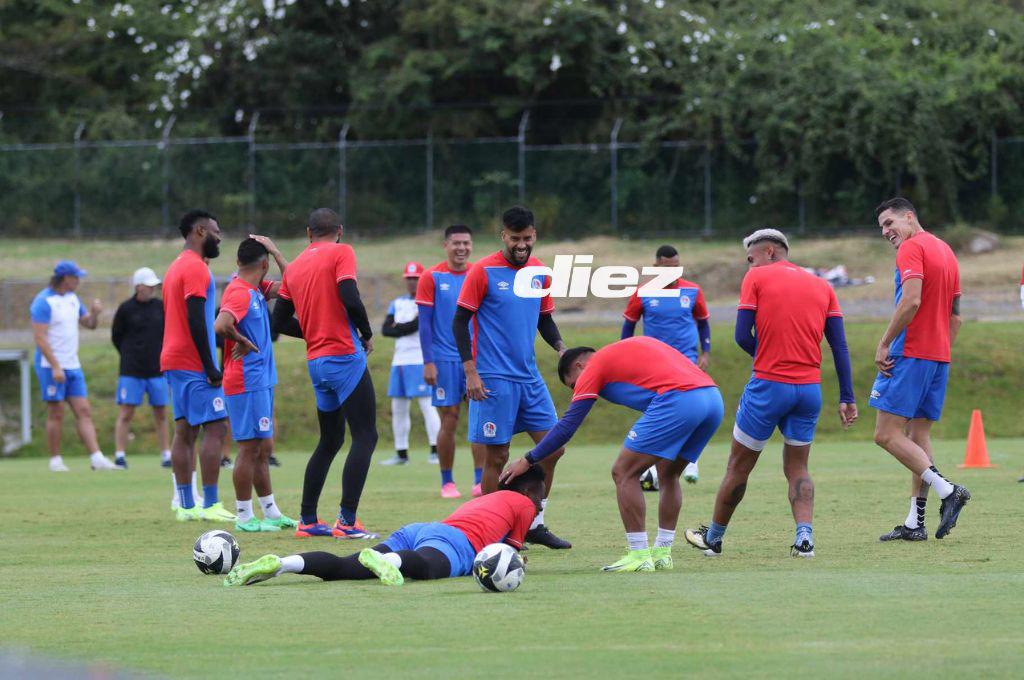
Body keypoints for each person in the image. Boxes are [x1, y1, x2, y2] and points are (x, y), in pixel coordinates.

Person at [685, 228, 857, 558]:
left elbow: (741, 335)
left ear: (770, 253)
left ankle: (714, 538)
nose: (749, 265)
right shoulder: (823, 286)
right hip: (809, 390)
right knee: (798, 468)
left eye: (751, 258)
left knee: (738, 466)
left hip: (768, 386)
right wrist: (847, 396)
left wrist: (769, 357)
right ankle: (804, 538)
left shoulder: (757, 278)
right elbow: (839, 345)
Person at [500, 337, 724, 573]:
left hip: (680, 399)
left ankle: (639, 555)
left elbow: (567, 426)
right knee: (668, 474)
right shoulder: (620, 355)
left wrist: (528, 459)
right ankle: (662, 553)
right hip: (711, 399)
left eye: (572, 385)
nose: (576, 390)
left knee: (623, 472)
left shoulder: (593, 367)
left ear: (579, 366)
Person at [453, 205, 571, 550]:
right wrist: (469, 370)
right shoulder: (483, 270)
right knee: (497, 456)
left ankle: (535, 522)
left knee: (554, 448)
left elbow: (544, 319)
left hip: (529, 378)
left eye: (528, 238)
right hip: (492, 379)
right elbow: (460, 321)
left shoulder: (538, 272)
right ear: (503, 235)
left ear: (535, 236)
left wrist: (562, 349)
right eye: (515, 238)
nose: (522, 244)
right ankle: (490, 531)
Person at [224, 465, 544, 587]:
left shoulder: (493, 498)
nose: (541, 503)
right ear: (529, 491)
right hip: (456, 540)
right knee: (429, 568)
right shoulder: (526, 504)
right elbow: (509, 553)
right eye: (541, 496)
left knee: (345, 567)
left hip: (420, 529)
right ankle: (391, 562)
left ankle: (282, 565)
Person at [271, 208, 379, 539]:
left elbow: (277, 322)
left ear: (308, 233)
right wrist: (366, 331)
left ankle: (307, 520)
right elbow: (350, 295)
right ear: (340, 231)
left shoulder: (296, 265)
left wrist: (313, 331)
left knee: (330, 440)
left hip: (316, 362)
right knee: (366, 435)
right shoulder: (341, 251)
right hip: (344, 357)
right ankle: (347, 521)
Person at [870, 198, 970, 540]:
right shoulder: (947, 251)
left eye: (889, 223)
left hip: (910, 352)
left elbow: (911, 300)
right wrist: (940, 350)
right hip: (938, 355)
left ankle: (948, 490)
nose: (885, 232)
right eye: (881, 227)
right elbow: (956, 315)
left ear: (910, 216)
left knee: (885, 434)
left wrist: (884, 342)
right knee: (918, 435)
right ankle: (915, 523)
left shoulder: (912, 248)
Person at [213, 236, 298, 533]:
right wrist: (242, 340)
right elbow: (221, 324)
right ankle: (244, 516)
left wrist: (273, 251)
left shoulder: (256, 289)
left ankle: (271, 512)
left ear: (238, 263)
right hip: (246, 382)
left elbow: (294, 284)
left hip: (261, 380)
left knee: (263, 447)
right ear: (264, 264)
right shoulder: (239, 292)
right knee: (249, 448)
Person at [161, 210, 234, 522]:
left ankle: (187, 505)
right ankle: (211, 504)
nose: (219, 238)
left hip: (173, 359)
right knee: (216, 428)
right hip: (192, 361)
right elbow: (194, 318)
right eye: (216, 232)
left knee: (185, 430)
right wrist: (210, 365)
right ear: (201, 231)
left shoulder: (175, 266)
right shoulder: (196, 268)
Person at [621, 244, 710, 484]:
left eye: (676, 267)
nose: (673, 271)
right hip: (654, 364)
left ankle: (691, 463)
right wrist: (625, 355)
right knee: (660, 411)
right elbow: (629, 325)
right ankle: (657, 464)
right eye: (668, 267)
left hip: (686, 361)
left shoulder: (692, 291)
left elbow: (703, 322)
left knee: (691, 409)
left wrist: (706, 351)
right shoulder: (643, 292)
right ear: (656, 266)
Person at [416, 225, 486, 499]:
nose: (461, 248)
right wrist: (428, 362)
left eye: (466, 243)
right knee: (450, 418)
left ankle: (479, 480)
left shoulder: (479, 274)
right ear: (446, 245)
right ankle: (447, 481)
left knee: (479, 418)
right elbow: (424, 324)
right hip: (444, 359)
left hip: (477, 359)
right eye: (456, 243)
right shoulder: (431, 276)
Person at [30, 260, 116, 471]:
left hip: (72, 364)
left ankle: (97, 457)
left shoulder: (73, 299)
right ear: (65, 278)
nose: (78, 281)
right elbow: (40, 338)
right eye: (76, 277)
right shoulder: (43, 301)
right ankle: (55, 460)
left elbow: (89, 324)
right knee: (56, 411)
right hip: (50, 365)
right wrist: (56, 366)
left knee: (84, 410)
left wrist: (95, 313)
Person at [378, 261, 442, 469]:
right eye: (410, 279)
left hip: (419, 360)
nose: (413, 282)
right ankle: (401, 453)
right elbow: (386, 330)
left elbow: (417, 325)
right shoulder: (397, 303)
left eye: (416, 278)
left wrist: (400, 327)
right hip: (399, 362)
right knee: (398, 408)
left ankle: (436, 450)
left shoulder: (427, 301)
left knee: (427, 406)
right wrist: (402, 327)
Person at [110, 267, 170, 470]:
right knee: (126, 412)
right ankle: (119, 456)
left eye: (154, 286)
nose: (152, 289)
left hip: (157, 369)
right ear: (138, 287)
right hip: (131, 370)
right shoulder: (125, 309)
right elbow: (116, 337)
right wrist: (129, 355)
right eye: (149, 285)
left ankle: (166, 454)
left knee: (160, 413)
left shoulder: (160, 307)